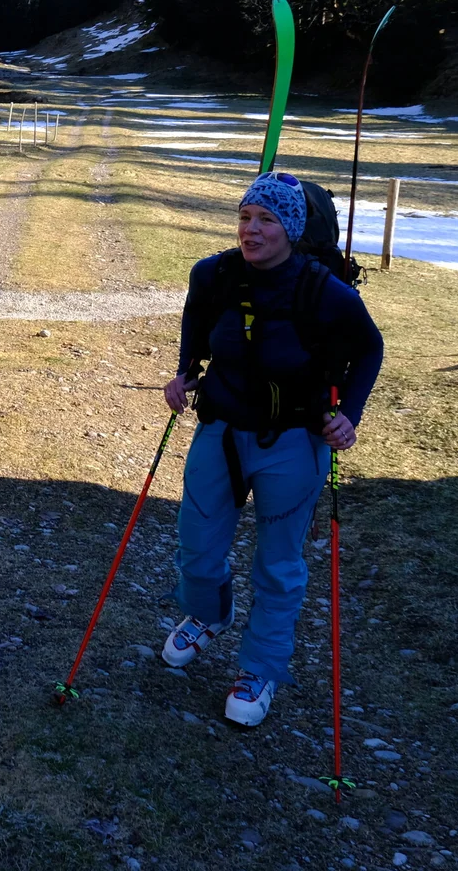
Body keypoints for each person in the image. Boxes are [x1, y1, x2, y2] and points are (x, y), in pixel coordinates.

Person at [160, 171, 383, 726]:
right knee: (195, 544)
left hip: (296, 440)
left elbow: (370, 348)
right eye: (245, 216)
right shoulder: (212, 275)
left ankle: (259, 669)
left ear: (293, 228)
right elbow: (196, 318)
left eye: (267, 220)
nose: (251, 230)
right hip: (221, 429)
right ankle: (209, 616)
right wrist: (185, 371)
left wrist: (348, 417)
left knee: (279, 564)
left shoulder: (326, 292)